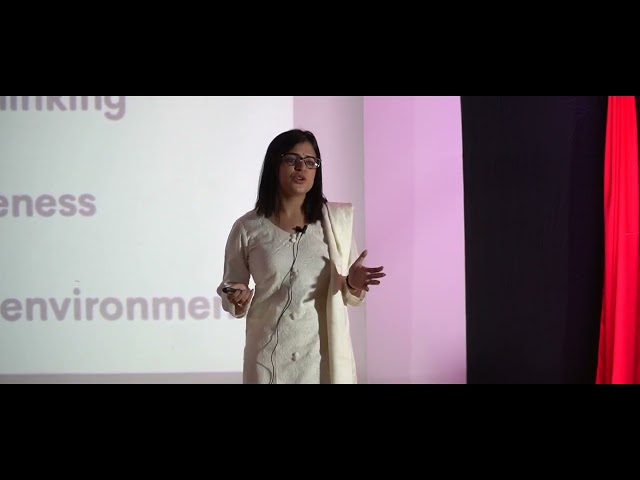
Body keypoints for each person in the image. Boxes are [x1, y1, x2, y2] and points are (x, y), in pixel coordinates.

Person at [217, 129, 385, 384]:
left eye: (310, 162)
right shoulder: (247, 227)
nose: (301, 167)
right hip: (268, 360)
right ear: (274, 165)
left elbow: (349, 294)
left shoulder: (334, 223)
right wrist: (236, 297)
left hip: (319, 360)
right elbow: (231, 285)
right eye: (291, 159)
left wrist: (352, 283)